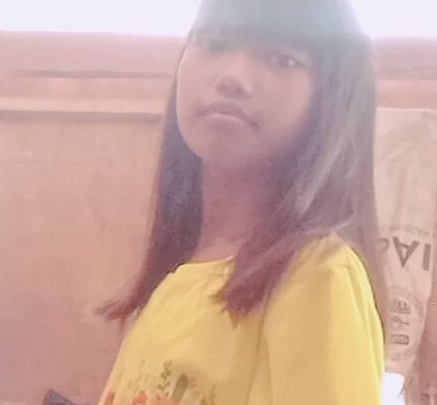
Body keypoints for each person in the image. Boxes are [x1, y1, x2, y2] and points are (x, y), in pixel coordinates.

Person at [97, 0, 385, 403]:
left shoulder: (317, 276)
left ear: (332, 100)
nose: (233, 76)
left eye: (281, 59)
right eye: (214, 44)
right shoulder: (178, 274)